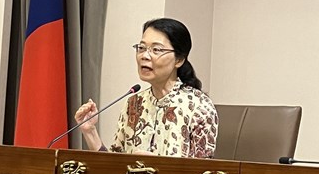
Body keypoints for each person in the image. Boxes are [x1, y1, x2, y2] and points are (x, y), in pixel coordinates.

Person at [74, 18, 218, 157]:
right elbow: (113, 168)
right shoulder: (134, 104)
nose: (145, 56)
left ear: (179, 60)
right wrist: (90, 132)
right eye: (141, 48)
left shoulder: (199, 107)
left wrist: (155, 167)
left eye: (156, 50)